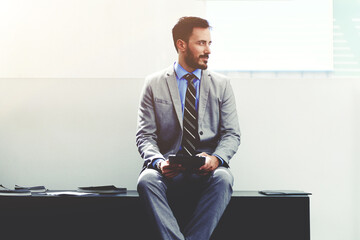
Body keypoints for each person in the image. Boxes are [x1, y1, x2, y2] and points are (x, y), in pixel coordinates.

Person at [136, 16, 241, 240]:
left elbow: (231, 134)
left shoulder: (222, 85)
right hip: (168, 167)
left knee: (224, 178)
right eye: (201, 43)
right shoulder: (154, 83)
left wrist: (216, 159)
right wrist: (159, 162)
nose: (208, 50)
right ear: (181, 45)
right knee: (146, 181)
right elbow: (145, 136)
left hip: (207, 168)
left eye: (209, 43)